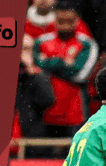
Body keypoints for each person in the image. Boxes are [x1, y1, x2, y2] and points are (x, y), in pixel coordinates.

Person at [33, 2, 99, 139]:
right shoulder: (41, 42)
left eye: (69, 21)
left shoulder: (87, 44)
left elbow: (80, 75)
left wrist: (48, 63)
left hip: (75, 114)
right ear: (54, 19)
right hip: (44, 113)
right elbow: (35, 70)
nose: (65, 25)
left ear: (77, 20)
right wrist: (63, 63)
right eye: (61, 21)